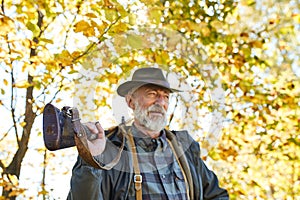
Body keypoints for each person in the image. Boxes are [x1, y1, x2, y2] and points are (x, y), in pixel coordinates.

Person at [67, 67, 229, 200]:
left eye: (165, 96)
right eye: (152, 94)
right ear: (131, 102)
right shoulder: (109, 148)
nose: (160, 102)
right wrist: (90, 160)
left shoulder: (185, 149)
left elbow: (217, 196)